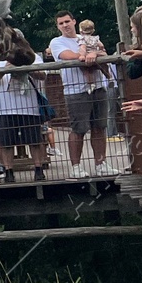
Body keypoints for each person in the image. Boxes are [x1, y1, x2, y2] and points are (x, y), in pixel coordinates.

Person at [49, 9, 109, 176]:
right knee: (78, 129)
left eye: (67, 21)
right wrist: (87, 56)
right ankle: (76, 167)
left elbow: (104, 53)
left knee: (100, 127)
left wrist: (94, 53)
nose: (65, 25)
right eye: (61, 23)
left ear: (74, 21)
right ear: (58, 26)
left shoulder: (89, 38)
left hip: (97, 87)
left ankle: (101, 164)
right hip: (76, 90)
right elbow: (67, 56)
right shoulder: (56, 42)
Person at [0, 45, 48, 182]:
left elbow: (43, 75)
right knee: (6, 142)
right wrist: (6, 68)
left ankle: (39, 170)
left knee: (34, 141)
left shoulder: (33, 56)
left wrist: (26, 66)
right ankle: (9, 171)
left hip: (29, 107)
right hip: (4, 108)